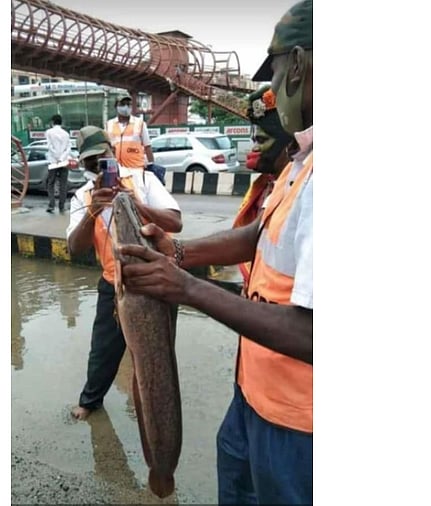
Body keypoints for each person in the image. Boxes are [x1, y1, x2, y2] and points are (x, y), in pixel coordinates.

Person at [118, 1, 313, 503]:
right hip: (254, 396)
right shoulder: (303, 161)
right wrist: (178, 252)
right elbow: (258, 236)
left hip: (301, 425)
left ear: (306, 64)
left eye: (279, 73)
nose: (272, 90)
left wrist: (186, 289)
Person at [66, 126, 182, 421]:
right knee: (103, 349)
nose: (96, 167)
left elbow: (175, 221)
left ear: (111, 151)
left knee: (158, 350)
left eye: (101, 158)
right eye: (90, 162)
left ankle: (156, 406)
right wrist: (94, 209)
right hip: (114, 285)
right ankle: (90, 401)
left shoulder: (144, 178)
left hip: (157, 279)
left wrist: (136, 204)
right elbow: (74, 248)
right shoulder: (82, 196)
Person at [233, 84, 294, 282]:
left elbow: (249, 240)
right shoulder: (264, 185)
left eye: (262, 140)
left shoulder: (299, 187)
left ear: (289, 145)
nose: (255, 148)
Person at [105, 94, 154, 170]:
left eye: (128, 104)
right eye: (122, 104)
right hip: (116, 170)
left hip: (136, 169)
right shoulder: (109, 124)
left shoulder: (140, 123)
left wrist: (151, 165)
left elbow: (147, 146)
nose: (126, 107)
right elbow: (106, 147)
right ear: (116, 106)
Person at [45, 114, 72, 213]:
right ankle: (62, 206)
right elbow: (68, 148)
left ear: (52, 122)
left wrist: (56, 157)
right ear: (61, 122)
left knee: (51, 183)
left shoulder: (49, 132)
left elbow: (50, 146)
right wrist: (61, 158)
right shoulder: (66, 134)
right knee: (63, 184)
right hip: (64, 161)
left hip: (53, 161)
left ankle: (51, 205)